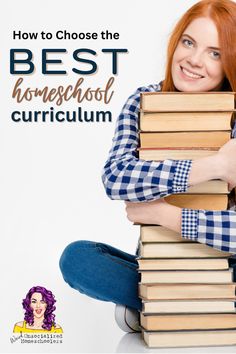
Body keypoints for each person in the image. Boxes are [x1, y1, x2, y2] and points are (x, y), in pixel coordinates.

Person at [59, 0, 236, 333]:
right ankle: (203, 310)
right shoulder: (143, 101)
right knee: (78, 259)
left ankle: (164, 309)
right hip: (160, 265)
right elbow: (116, 178)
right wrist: (215, 165)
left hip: (227, 266)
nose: (194, 60)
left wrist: (164, 215)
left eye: (215, 53)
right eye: (189, 42)